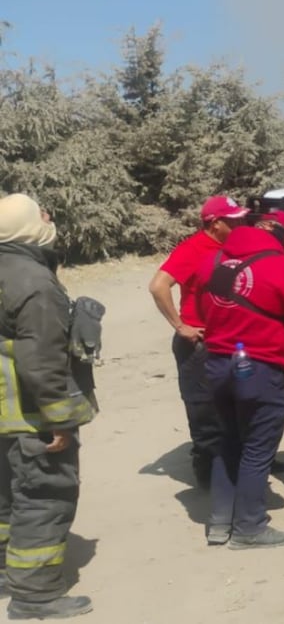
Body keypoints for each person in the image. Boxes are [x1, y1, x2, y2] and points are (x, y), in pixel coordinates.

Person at [194, 210, 284, 549]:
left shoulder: (213, 262)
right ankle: (249, 527)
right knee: (257, 447)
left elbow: (203, 311)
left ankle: (219, 522)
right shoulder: (282, 267)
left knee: (228, 442)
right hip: (260, 368)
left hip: (217, 364)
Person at [0, 194, 94, 619]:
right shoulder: (34, 282)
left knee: (6, 498)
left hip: (5, 415)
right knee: (44, 497)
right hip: (29, 416)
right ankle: (35, 596)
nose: (48, 216)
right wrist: (60, 419)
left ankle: (7, 572)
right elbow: (41, 359)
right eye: (40, 212)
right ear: (24, 225)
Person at [149, 196, 249, 487]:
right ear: (215, 224)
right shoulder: (193, 249)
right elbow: (158, 286)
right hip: (199, 345)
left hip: (232, 340)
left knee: (242, 403)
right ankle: (207, 472)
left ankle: (246, 461)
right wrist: (181, 326)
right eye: (233, 220)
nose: (240, 224)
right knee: (205, 410)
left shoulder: (232, 247)